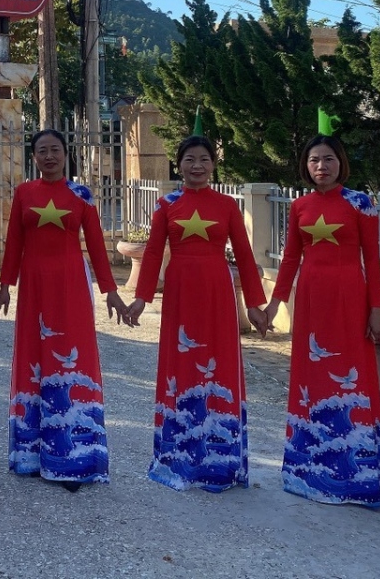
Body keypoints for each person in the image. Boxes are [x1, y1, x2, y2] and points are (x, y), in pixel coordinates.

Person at [126, 134, 268, 492]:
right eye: (190, 159)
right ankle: (179, 454)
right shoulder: (166, 205)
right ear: (179, 164)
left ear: (213, 164)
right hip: (180, 292)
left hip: (217, 291)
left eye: (204, 159)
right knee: (183, 363)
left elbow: (246, 257)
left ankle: (222, 457)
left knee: (219, 363)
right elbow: (154, 254)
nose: (197, 166)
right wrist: (142, 299)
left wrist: (255, 304)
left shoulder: (227, 206)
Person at [0, 129, 128, 492]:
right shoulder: (24, 193)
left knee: (71, 359)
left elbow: (97, 246)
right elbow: (15, 243)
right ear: (33, 156)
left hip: (71, 285)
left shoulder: (80, 194)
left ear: (66, 154)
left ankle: (74, 455)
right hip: (34, 286)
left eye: (55, 150)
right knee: (35, 358)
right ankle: (32, 455)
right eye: (41, 151)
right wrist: (5, 287)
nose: (49, 156)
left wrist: (111, 291)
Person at [266, 131, 380, 507]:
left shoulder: (360, 203)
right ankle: (308, 470)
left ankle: (359, 475)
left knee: (351, 372)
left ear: (341, 162)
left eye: (329, 159)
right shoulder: (300, 206)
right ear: (305, 166)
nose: (322, 166)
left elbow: (372, 258)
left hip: (350, 297)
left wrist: (377, 308)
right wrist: (275, 303)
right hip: (310, 299)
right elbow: (290, 259)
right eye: (314, 160)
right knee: (312, 374)